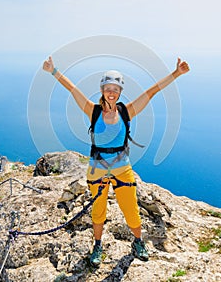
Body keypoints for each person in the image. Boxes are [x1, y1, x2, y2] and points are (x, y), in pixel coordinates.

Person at [43, 55, 190, 266]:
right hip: (97, 170)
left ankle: (138, 242)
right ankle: (97, 246)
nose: (111, 92)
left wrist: (176, 73)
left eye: (115, 89)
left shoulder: (126, 111)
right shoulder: (93, 111)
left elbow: (152, 92)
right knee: (98, 210)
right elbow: (73, 90)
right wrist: (53, 70)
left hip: (122, 169)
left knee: (130, 208)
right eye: (108, 88)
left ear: (120, 92)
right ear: (102, 90)